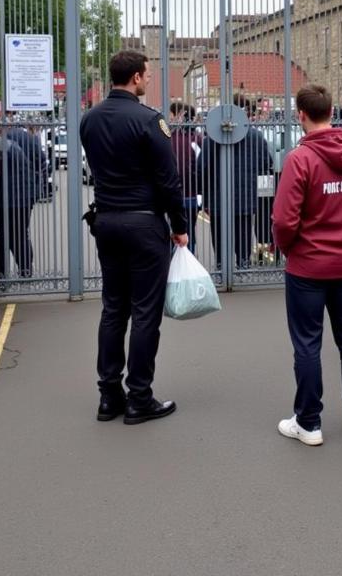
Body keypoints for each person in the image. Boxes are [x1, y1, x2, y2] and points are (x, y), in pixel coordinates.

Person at [80, 50, 188, 426]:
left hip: (106, 222)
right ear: (137, 78)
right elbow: (168, 180)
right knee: (144, 312)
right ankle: (140, 397)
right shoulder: (149, 120)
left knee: (113, 309)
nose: (148, 80)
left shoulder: (89, 119)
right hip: (143, 225)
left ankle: (109, 397)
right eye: (147, 75)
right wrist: (179, 224)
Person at [272, 84, 342, 445]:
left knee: (307, 343)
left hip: (308, 267)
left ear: (301, 115)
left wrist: (292, 250)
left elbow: (285, 221)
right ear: (333, 111)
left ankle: (309, 422)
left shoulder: (300, 160)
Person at [201, 93, 272, 269]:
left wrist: (205, 194)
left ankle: (220, 265)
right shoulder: (256, 136)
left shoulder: (212, 137)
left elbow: (202, 167)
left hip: (217, 196)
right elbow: (267, 164)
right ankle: (243, 264)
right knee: (244, 232)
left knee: (218, 233)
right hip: (246, 195)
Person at [0, 125, 36, 279]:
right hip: (24, 198)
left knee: (5, 236)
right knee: (21, 234)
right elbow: (39, 163)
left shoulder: (2, 146)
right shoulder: (22, 143)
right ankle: (25, 269)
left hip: (4, 200)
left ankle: (5, 275)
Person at [169, 101, 202, 253]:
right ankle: (188, 264)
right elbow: (202, 167)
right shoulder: (197, 139)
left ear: (179, 116)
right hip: (191, 194)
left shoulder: (169, 138)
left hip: (170, 194)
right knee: (189, 231)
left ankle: (170, 266)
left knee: (170, 231)